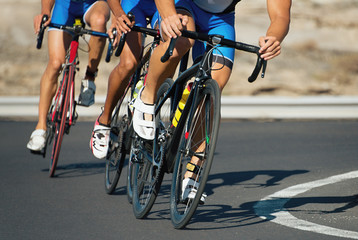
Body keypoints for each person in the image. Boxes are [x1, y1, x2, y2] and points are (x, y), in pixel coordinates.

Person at [132, 0, 292, 202]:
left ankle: (193, 172)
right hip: (183, 6)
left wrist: (274, 38)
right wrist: (167, 14)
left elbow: (280, 15)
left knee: (215, 85)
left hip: (219, 19)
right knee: (181, 42)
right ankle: (147, 96)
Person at [27, 0, 110, 152]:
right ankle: (40, 127)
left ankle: (90, 78)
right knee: (55, 63)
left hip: (94, 4)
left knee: (99, 21)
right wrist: (45, 12)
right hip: (64, 6)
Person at [89, 0, 159, 159]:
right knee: (129, 64)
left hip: (165, 6)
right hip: (133, 5)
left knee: (165, 57)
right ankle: (104, 119)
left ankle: (146, 94)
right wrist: (117, 15)